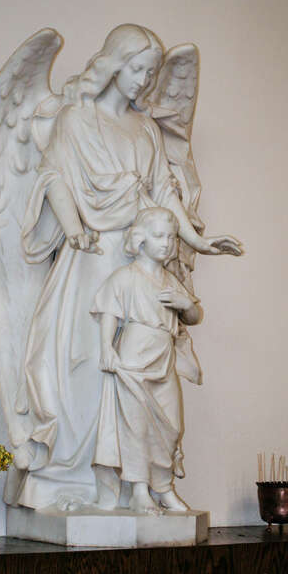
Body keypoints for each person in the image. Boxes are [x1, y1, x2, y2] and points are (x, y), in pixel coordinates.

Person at [9, 24, 240, 511]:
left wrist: (198, 238)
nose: (145, 82)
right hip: (92, 257)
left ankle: (136, 484)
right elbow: (53, 177)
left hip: (136, 260)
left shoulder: (146, 130)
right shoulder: (77, 119)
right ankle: (77, 480)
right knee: (88, 367)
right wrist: (73, 228)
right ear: (115, 63)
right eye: (138, 69)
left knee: (137, 375)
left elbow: (163, 195)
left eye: (152, 73)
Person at [91, 207, 201, 513]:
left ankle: (164, 488)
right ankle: (140, 490)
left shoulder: (170, 281)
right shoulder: (125, 277)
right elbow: (109, 313)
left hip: (163, 359)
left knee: (171, 424)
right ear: (141, 239)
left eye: (171, 237)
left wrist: (186, 303)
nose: (166, 243)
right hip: (134, 358)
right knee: (135, 426)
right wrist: (106, 348)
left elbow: (192, 316)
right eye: (158, 236)